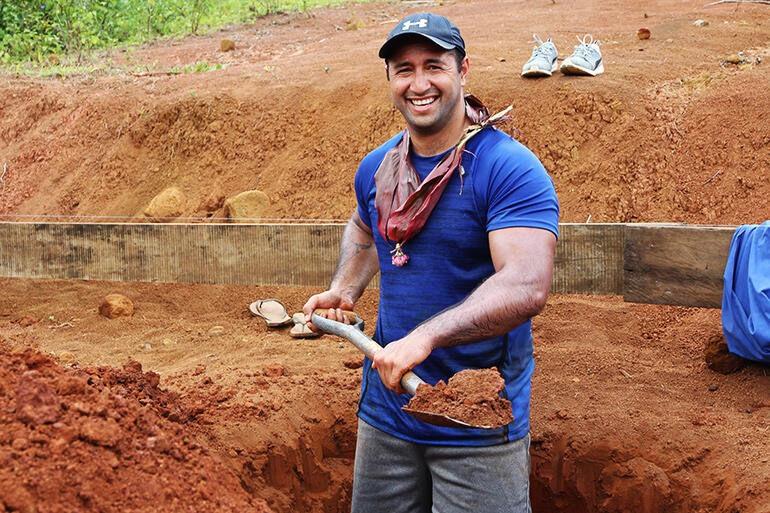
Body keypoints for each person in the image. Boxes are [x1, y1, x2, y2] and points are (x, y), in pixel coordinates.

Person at [303, 12, 559, 513]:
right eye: (404, 69)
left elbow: (527, 285)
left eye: (434, 66)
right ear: (390, 80)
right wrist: (345, 289)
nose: (419, 83)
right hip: (387, 413)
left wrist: (425, 337)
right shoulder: (379, 167)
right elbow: (365, 225)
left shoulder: (507, 168)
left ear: (463, 71)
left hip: (476, 420)